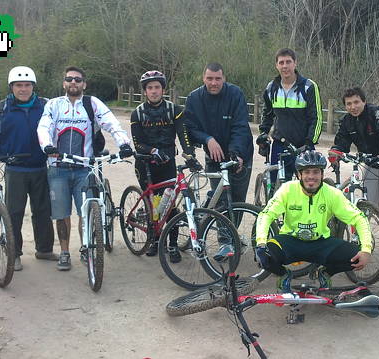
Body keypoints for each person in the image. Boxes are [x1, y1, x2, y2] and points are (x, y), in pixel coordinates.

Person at [37, 66, 133, 271]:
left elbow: (112, 124)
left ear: (84, 84)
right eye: (69, 79)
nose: (73, 83)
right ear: (64, 83)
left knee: (86, 212)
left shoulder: (92, 104)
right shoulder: (54, 105)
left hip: (85, 168)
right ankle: (64, 252)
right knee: (62, 214)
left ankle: (85, 247)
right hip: (58, 167)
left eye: (78, 80)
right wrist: (46, 145)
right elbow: (44, 127)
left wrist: (124, 143)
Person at [0, 66, 57, 271]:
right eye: (18, 85)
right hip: (15, 169)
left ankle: (44, 249)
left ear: (33, 86)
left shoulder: (46, 105)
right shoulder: (1, 108)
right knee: (14, 213)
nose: (23, 89)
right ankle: (15, 253)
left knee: (43, 211)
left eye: (27, 85)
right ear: (11, 87)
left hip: (41, 167)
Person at [254, 150, 373, 293]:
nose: (311, 176)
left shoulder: (332, 193)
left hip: (320, 243)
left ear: (322, 174)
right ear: (299, 175)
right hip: (290, 241)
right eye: (307, 172)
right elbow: (266, 214)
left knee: (356, 255)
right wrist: (260, 242)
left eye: (316, 172)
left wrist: (366, 249)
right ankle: (284, 275)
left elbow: (359, 218)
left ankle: (325, 273)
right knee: (264, 254)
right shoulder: (287, 189)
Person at [184, 63, 254, 257]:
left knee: (237, 200)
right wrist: (207, 138)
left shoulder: (235, 94)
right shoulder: (194, 98)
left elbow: (240, 125)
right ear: (203, 78)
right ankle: (226, 242)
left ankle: (230, 233)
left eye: (218, 79)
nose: (214, 83)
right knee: (222, 199)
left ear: (224, 78)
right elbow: (190, 127)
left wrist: (236, 153)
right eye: (210, 78)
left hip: (240, 154)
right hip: (213, 156)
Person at [130, 70, 200, 262]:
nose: (154, 91)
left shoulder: (174, 110)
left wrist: (190, 155)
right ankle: (155, 240)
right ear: (145, 91)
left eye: (157, 87)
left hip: (168, 163)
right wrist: (153, 151)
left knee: (168, 205)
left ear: (163, 89)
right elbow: (137, 143)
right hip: (146, 164)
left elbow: (183, 135)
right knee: (154, 205)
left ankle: (172, 244)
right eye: (150, 88)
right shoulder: (137, 113)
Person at [328, 87, 379, 227]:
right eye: (349, 104)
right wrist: (335, 151)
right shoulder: (346, 121)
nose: (353, 107)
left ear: (364, 101)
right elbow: (342, 141)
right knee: (368, 205)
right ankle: (365, 239)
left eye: (356, 102)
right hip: (368, 163)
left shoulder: (376, 112)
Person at [257, 48, 323, 183]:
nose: (285, 66)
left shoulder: (308, 86)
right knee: (277, 187)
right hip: (279, 145)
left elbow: (316, 118)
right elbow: (267, 114)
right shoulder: (271, 88)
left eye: (288, 62)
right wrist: (263, 132)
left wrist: (309, 142)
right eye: (281, 63)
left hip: (303, 146)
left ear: (295, 63)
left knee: (308, 186)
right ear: (276, 65)